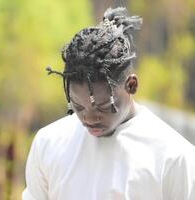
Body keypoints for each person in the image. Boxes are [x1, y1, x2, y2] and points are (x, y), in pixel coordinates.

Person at [22, 7, 195, 200]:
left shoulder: (173, 156)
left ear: (131, 85)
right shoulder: (49, 143)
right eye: (78, 107)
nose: (88, 118)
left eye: (103, 106)